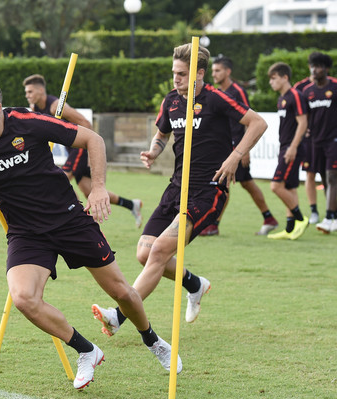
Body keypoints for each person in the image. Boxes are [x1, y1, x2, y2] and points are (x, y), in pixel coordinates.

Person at [0, 78, 182, 390]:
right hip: (26, 234)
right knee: (23, 298)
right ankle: (87, 351)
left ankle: (153, 341)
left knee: (121, 292)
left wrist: (99, 187)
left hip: (69, 220)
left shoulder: (27, 123)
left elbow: (93, 139)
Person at [92, 44, 268, 336]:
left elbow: (258, 123)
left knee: (159, 250)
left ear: (200, 73)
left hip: (207, 191)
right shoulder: (171, 101)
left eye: (182, 74)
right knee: (144, 252)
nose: (176, 79)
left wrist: (235, 157)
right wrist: (153, 151)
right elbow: (162, 132)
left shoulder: (216, 99)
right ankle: (195, 285)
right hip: (176, 188)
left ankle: (118, 317)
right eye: (174, 73)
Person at [23, 74, 143, 227]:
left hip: (79, 149)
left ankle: (79, 221)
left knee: (61, 179)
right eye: (26, 92)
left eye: (30, 92)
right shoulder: (35, 108)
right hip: (71, 151)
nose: (27, 95)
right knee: (88, 192)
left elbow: (85, 122)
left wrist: (90, 151)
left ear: (41, 90)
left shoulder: (55, 106)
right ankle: (132, 205)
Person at [199, 56, 278, 236]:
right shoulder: (217, 93)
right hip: (226, 149)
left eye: (218, 70)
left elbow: (250, 120)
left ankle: (214, 224)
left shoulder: (237, 91)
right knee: (231, 184)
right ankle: (267, 218)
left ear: (228, 72)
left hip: (238, 149)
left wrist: (244, 151)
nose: (214, 74)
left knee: (236, 184)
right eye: (214, 70)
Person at [266, 62, 309, 240]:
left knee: (276, 185)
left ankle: (300, 218)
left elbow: (303, 123)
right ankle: (290, 229)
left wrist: (292, 147)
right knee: (290, 187)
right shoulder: (281, 99)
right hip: (285, 146)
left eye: (274, 78)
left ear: (285, 77)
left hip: (292, 148)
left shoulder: (295, 96)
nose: (271, 82)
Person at [302, 52, 337, 233]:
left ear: (326, 69)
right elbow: (305, 117)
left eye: (318, 66)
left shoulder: (335, 87)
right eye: (312, 66)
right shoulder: (307, 91)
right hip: (316, 141)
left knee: (332, 177)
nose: (314, 70)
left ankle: (329, 217)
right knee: (324, 177)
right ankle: (335, 217)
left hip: (334, 140)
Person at [294, 72, 321, 224]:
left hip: (330, 140)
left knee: (330, 176)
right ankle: (314, 211)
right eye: (313, 66)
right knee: (309, 174)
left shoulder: (332, 86)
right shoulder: (301, 88)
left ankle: (332, 213)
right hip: (309, 141)